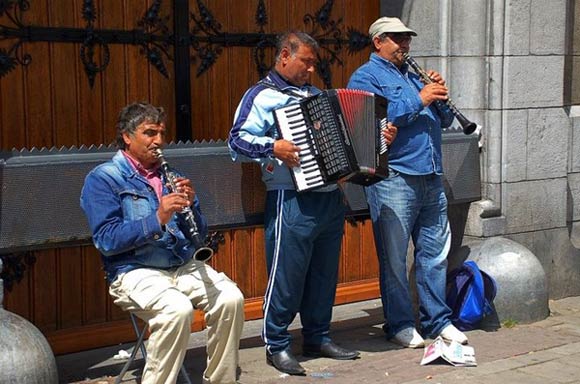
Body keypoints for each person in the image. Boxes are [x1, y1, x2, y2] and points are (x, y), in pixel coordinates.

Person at [228, 31, 384, 376]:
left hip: (330, 198)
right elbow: (236, 141)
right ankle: (277, 344)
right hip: (291, 198)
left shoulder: (316, 96)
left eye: (315, 63)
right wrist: (273, 147)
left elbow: (346, 144)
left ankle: (318, 336)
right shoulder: (262, 95)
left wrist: (376, 141)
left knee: (324, 273)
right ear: (285, 55)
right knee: (286, 274)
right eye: (307, 61)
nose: (312, 69)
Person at [80, 102, 245, 384]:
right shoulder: (104, 179)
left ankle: (221, 380)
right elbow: (106, 240)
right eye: (149, 133)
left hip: (179, 265)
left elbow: (199, 234)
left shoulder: (171, 174)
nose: (159, 141)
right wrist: (157, 217)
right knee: (177, 309)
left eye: (161, 133)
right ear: (126, 136)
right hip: (134, 269)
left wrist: (192, 207)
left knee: (231, 299)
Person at [347, 17, 469, 349]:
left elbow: (443, 121)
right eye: (398, 40)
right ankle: (400, 323)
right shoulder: (365, 76)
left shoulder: (414, 76)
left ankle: (437, 320)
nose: (405, 46)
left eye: (408, 40)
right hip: (395, 178)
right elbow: (373, 119)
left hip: (430, 175)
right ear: (379, 42)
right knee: (395, 258)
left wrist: (439, 97)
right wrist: (422, 97)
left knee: (433, 255)